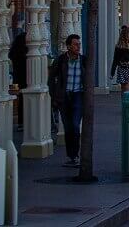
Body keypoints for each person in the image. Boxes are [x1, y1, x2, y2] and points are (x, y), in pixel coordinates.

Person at [48, 34, 86, 168]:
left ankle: (76, 155)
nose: (78, 47)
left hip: (78, 96)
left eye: (79, 44)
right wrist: (54, 95)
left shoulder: (83, 60)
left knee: (75, 126)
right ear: (68, 46)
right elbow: (51, 77)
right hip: (64, 97)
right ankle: (71, 156)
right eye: (75, 44)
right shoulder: (61, 60)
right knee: (68, 128)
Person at [109, 28, 129, 93]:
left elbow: (115, 60)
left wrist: (112, 72)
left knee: (123, 90)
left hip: (121, 69)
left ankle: (124, 102)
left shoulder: (118, 47)